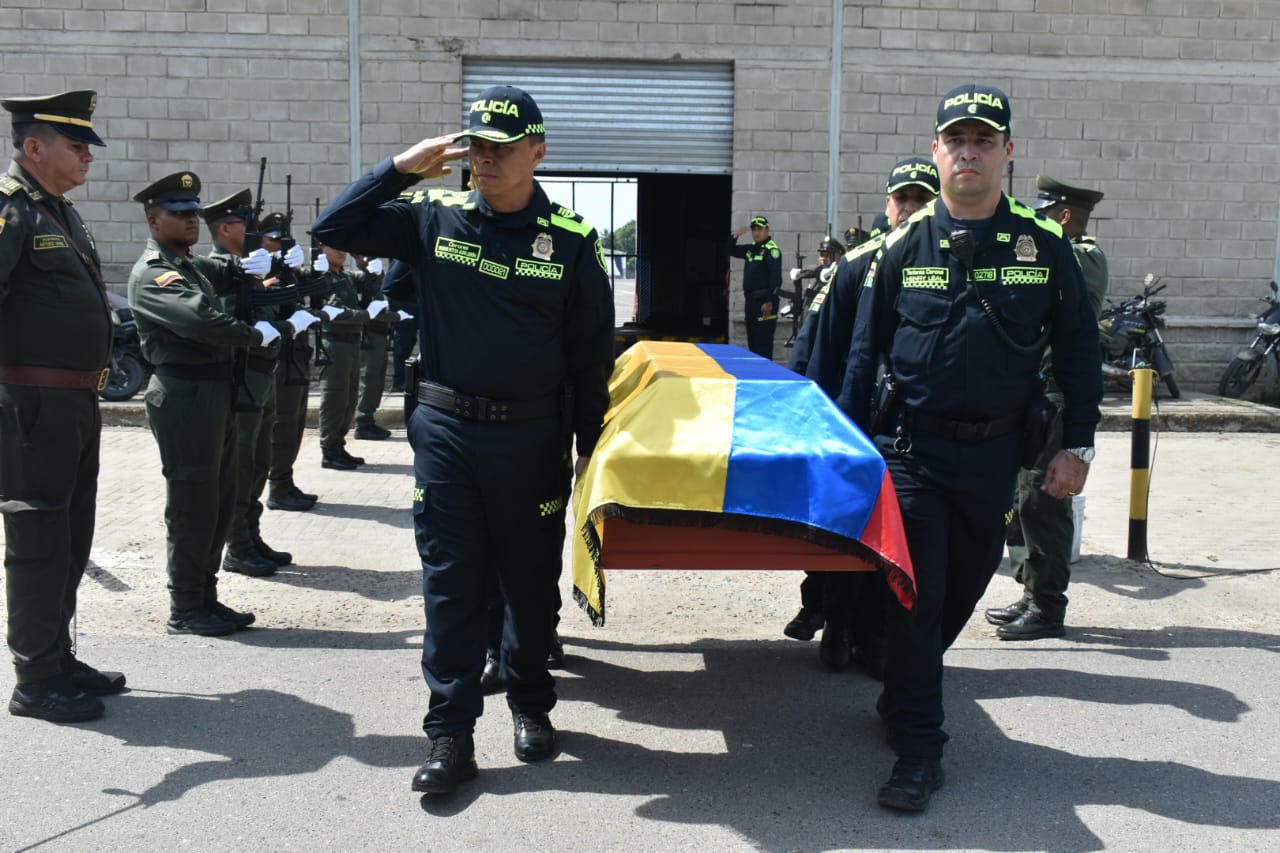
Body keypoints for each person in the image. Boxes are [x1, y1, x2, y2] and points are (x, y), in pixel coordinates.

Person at [312, 84, 614, 795]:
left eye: (501, 148)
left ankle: (531, 704)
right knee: (451, 586)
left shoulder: (571, 240)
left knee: (529, 582)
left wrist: (589, 447)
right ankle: (450, 734)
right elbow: (335, 226)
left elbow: (589, 355)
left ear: (538, 153)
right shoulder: (430, 217)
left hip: (534, 435)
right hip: (447, 431)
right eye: (475, 146)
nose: (484, 160)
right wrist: (400, 168)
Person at [840, 84, 1102, 812]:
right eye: (956, 139)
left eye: (984, 141)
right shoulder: (899, 245)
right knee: (919, 596)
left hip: (995, 456)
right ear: (936, 151)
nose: (969, 151)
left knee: (969, 580)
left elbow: (1081, 352)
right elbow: (864, 357)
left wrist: (1078, 445)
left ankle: (900, 681)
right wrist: (850, 449)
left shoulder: (1044, 247)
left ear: (1007, 154)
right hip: (912, 450)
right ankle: (920, 749)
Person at [784, 156, 941, 676]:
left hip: (920, 433)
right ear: (888, 204)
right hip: (857, 426)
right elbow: (818, 352)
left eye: (923, 200)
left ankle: (872, 635)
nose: (913, 209)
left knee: (899, 543)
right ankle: (836, 623)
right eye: (904, 200)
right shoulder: (858, 266)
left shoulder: (952, 263)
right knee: (846, 535)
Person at [0, 90, 123, 723]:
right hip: (31, 403)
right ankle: (35, 679)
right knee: (39, 537)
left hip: (75, 400)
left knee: (72, 535)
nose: (86, 157)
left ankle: (58, 653)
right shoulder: (10, 210)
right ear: (33, 147)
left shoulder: (60, 214)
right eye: (76, 146)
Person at [128, 171, 280, 637]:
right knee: (193, 502)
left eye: (194, 212)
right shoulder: (156, 272)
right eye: (179, 212)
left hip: (214, 390)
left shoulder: (190, 264)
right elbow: (200, 319)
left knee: (219, 497)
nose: (192, 219)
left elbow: (225, 272)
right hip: (185, 394)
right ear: (154, 220)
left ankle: (205, 595)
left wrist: (253, 264)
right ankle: (186, 605)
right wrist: (255, 334)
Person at [988, 175, 1109, 640]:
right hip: (1029, 388)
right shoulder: (1050, 251)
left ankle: (1048, 606)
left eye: (1043, 215)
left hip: (1056, 388)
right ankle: (1029, 591)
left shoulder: (1084, 257)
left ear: (1063, 217)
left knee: (1042, 499)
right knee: (1021, 499)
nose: (1033, 225)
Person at [199, 191, 299, 578]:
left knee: (258, 462)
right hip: (241, 379)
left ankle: (251, 536)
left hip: (261, 376)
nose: (255, 233)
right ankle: (237, 546)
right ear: (225, 229)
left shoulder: (249, 266)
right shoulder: (217, 268)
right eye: (246, 225)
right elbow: (224, 320)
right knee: (240, 466)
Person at [262, 211, 319, 512]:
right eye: (273, 240)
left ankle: (286, 480)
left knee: (295, 421)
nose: (279, 245)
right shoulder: (258, 269)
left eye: (284, 240)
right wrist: (275, 269)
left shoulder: (290, 269)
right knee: (282, 422)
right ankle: (277, 486)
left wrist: (312, 271)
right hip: (278, 356)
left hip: (297, 351)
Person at [313, 243, 382, 470]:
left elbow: (368, 285)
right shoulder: (322, 277)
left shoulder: (346, 276)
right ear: (321, 250)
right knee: (334, 398)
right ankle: (329, 450)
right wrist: (365, 315)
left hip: (351, 344)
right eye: (334, 248)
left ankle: (339, 445)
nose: (341, 252)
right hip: (335, 345)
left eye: (343, 248)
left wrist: (372, 271)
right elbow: (335, 312)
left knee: (349, 399)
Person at [353, 255, 396, 440]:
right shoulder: (355, 278)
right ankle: (363, 422)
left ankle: (368, 419)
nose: (370, 259)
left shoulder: (376, 275)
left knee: (377, 379)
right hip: (367, 335)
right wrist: (396, 316)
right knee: (368, 379)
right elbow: (369, 311)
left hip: (379, 335)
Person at [727, 215, 782, 359]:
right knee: (753, 344)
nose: (756, 233)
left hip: (764, 303)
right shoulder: (752, 249)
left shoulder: (772, 250)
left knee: (763, 346)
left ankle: (765, 378)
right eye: (754, 230)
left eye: (760, 229)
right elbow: (729, 250)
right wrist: (735, 236)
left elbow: (776, 280)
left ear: (767, 230)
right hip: (751, 303)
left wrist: (770, 302)